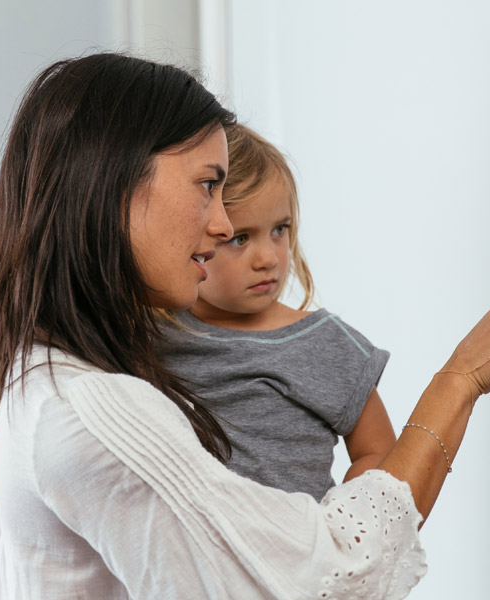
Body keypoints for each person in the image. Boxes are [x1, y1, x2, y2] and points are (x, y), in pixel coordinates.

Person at [0, 52, 490, 599]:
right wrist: (459, 379)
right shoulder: (94, 414)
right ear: (113, 179)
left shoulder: (47, 365)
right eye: (207, 185)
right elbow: (331, 578)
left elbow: (370, 457)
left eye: (274, 227)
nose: (222, 225)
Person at [157, 123, 396, 502]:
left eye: (279, 230)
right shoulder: (150, 330)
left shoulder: (325, 342)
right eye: (240, 238)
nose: (268, 258)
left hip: (299, 552)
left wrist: (336, 530)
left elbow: (379, 452)